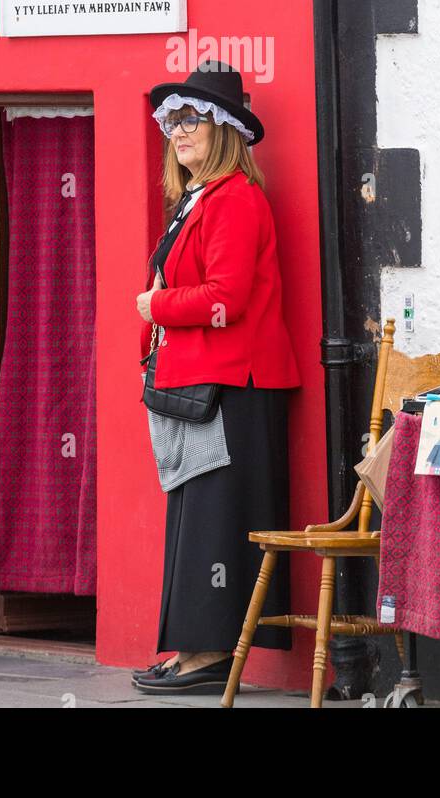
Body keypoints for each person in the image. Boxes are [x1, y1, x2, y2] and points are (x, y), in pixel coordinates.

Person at [132, 59, 302, 695]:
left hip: (234, 386)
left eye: (192, 119)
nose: (178, 131)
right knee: (197, 515)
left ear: (224, 130)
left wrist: (157, 307)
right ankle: (195, 649)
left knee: (215, 519)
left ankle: (208, 656)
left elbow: (224, 295)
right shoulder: (198, 199)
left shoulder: (235, 200)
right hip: (202, 384)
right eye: (171, 120)